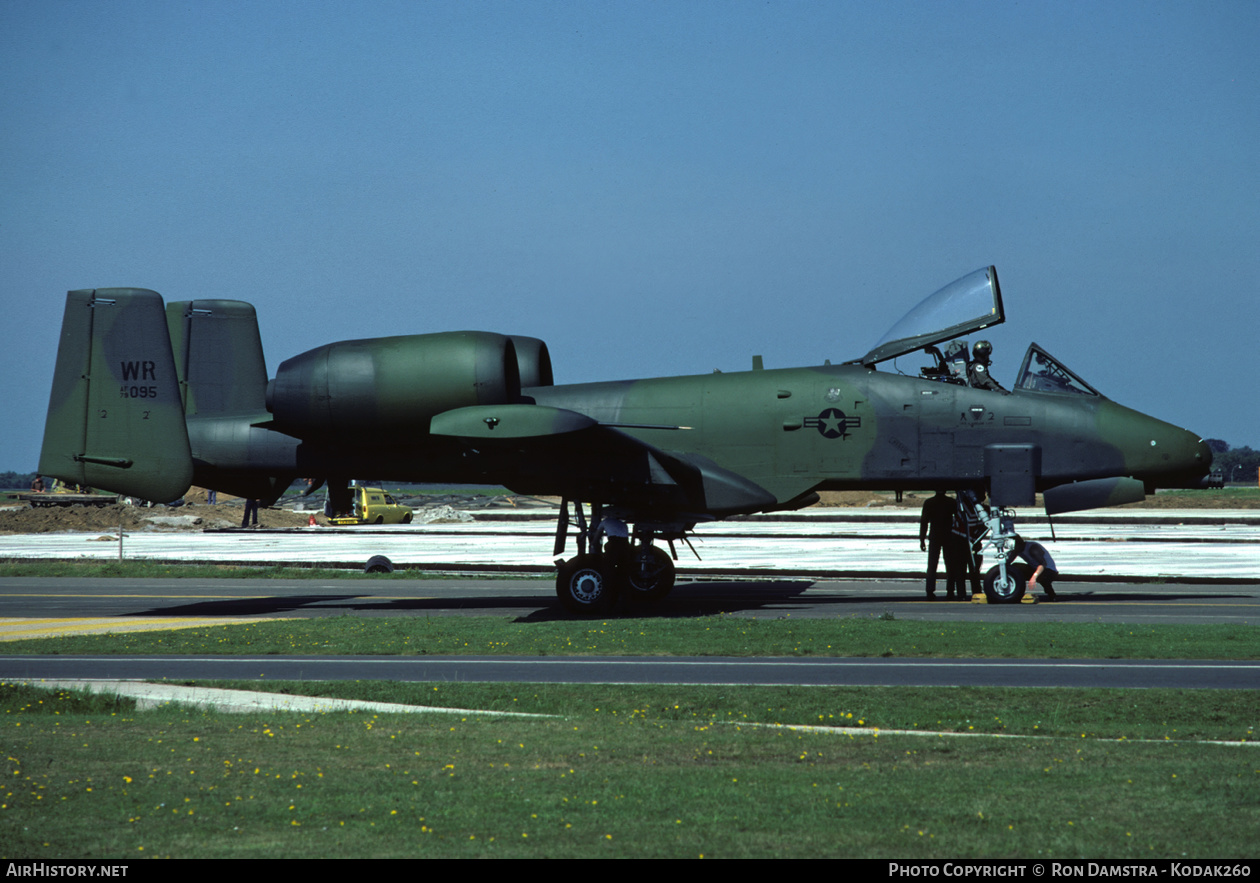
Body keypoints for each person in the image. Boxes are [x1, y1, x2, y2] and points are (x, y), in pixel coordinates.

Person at [919, 490, 956, 599]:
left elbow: (924, 521)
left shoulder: (929, 502)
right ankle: (950, 591)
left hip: (935, 536)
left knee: (932, 565)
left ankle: (930, 591)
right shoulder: (951, 502)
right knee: (950, 565)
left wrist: (922, 538)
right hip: (948, 536)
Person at [1010, 536, 1059, 601]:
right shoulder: (1018, 549)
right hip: (1035, 568)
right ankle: (1016, 593)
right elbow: (1008, 562)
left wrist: (1034, 577)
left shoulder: (1032, 548)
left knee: (1043, 578)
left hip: (1048, 570)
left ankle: (1052, 595)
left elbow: (1042, 564)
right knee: (1015, 567)